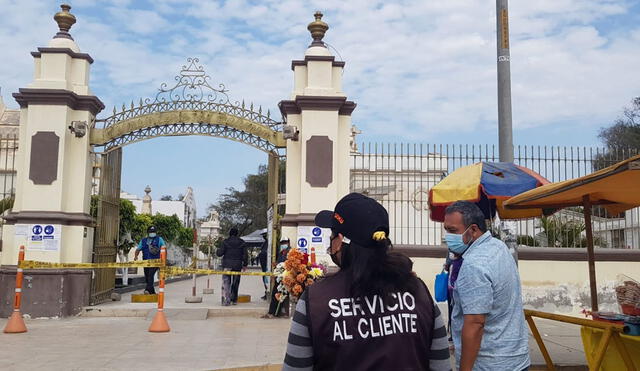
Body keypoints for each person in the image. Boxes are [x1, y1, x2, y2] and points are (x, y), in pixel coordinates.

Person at [282, 193, 451, 371]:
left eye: (332, 234)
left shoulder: (315, 300)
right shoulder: (420, 293)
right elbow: (442, 366)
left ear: (339, 241)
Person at [443, 201, 530, 371]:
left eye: (453, 231)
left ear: (473, 230)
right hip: (516, 359)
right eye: (446, 230)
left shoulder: (474, 265)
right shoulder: (498, 247)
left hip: (488, 363)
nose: (448, 237)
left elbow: (475, 323)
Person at [216, 227, 248, 306]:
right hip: (237, 265)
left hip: (227, 265)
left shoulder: (225, 242)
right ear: (237, 233)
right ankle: (234, 300)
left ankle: (226, 300)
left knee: (226, 282)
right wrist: (245, 265)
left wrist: (217, 250)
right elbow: (245, 255)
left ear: (229, 233)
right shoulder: (242, 242)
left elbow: (220, 253)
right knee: (235, 282)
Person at [263, 237, 292, 318]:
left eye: (285, 242)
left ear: (288, 242)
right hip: (279, 277)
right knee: (276, 294)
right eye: (282, 243)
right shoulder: (281, 253)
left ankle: (278, 313)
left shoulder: (291, 252)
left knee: (283, 295)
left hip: (286, 277)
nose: (283, 244)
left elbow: (288, 264)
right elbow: (280, 264)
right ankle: (273, 312)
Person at [134, 226, 165, 295]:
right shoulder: (143, 240)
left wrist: (164, 260)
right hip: (145, 262)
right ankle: (152, 292)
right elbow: (138, 249)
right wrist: (136, 256)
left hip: (155, 262)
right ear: (148, 233)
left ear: (156, 232)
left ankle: (147, 289)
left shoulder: (159, 239)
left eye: (153, 232)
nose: (152, 233)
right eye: (151, 232)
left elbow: (164, 249)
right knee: (147, 277)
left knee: (150, 275)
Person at [258, 231, 269, 300]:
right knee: (265, 280)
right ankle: (266, 292)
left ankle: (267, 292)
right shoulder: (265, 243)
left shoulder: (268, 243)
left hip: (266, 265)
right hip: (264, 266)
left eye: (265, 236)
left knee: (266, 280)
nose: (263, 237)